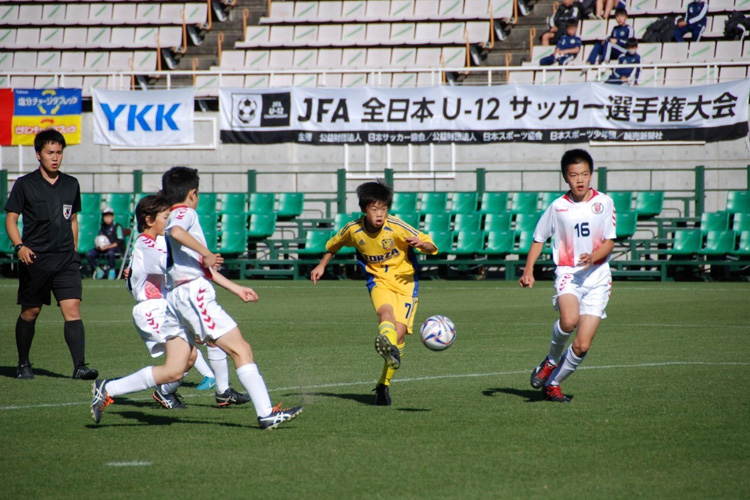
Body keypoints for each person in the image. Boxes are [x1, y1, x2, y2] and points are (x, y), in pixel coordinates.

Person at [92, 167, 301, 430]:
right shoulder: (184, 213)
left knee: (174, 369)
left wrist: (235, 288)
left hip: (176, 298)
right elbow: (178, 231)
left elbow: (195, 264)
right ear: (193, 193)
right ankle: (266, 413)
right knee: (241, 349)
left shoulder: (169, 222)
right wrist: (206, 252)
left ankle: (107, 388)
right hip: (192, 294)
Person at [310, 181, 438, 406]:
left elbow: (431, 245)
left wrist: (421, 244)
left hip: (406, 284)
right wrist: (321, 265)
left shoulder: (396, 226)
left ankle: (383, 384)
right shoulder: (353, 229)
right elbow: (333, 245)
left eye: (384, 209)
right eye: (374, 209)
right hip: (378, 280)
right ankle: (387, 345)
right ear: (364, 209)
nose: (380, 214)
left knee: (398, 335)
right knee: (384, 314)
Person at [125, 194, 251, 410]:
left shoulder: (161, 240)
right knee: (187, 357)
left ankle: (223, 391)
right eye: (166, 217)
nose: (169, 221)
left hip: (170, 305)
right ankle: (158, 391)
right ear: (149, 220)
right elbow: (170, 265)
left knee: (212, 339)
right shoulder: (145, 244)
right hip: (151, 309)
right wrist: (202, 260)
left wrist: (205, 263)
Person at [519, 149, 616, 403]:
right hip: (569, 274)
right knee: (569, 320)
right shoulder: (558, 207)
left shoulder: (605, 203)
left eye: (584, 174)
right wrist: (528, 270)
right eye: (574, 175)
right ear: (566, 177)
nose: (580, 180)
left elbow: (609, 242)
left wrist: (593, 257)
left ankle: (553, 384)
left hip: (598, 277)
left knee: (582, 345)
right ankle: (551, 360)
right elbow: (539, 238)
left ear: (591, 174)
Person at [4, 129, 98, 380]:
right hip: (35, 259)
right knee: (31, 312)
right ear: (38, 155)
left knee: (72, 309)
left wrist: (74, 248)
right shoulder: (25, 184)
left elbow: (72, 218)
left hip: (66, 259)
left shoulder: (71, 184)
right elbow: (11, 219)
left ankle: (79, 367)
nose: (55, 157)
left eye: (59, 152)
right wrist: (19, 246)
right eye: (50, 153)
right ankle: (23, 363)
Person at [86, 206, 124, 280]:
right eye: (105, 216)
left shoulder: (118, 226)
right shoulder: (103, 226)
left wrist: (108, 246)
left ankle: (112, 270)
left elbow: (120, 241)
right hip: (103, 248)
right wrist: (99, 246)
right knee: (89, 254)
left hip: (114, 248)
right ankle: (98, 269)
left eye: (109, 216)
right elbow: (99, 238)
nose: (107, 219)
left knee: (110, 253)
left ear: (113, 217)